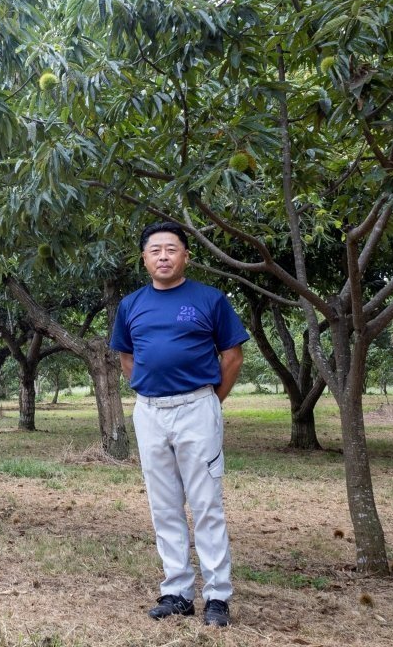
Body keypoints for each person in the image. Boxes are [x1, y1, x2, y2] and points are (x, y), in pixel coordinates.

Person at [110, 222, 249, 627]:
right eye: (155, 250)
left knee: (206, 504)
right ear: (144, 259)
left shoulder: (210, 299)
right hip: (149, 411)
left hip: (197, 407)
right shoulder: (131, 304)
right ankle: (177, 592)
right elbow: (127, 359)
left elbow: (232, 356)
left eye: (172, 249)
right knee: (164, 504)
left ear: (186, 256)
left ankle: (218, 597)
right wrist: (151, 394)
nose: (164, 256)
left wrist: (208, 403)